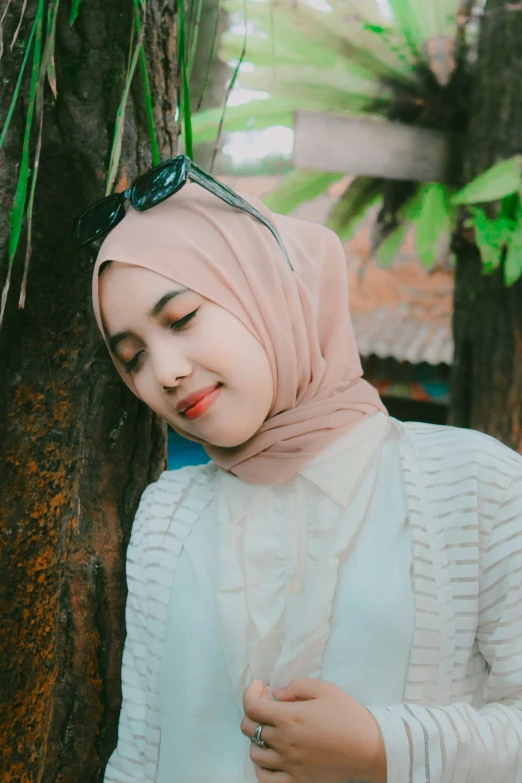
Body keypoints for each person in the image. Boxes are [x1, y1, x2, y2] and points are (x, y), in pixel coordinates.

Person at [85, 164, 522, 783]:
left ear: (269, 290)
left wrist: (384, 748)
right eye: (133, 358)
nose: (167, 372)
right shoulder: (168, 513)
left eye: (181, 319)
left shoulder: (475, 483)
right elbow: (138, 756)